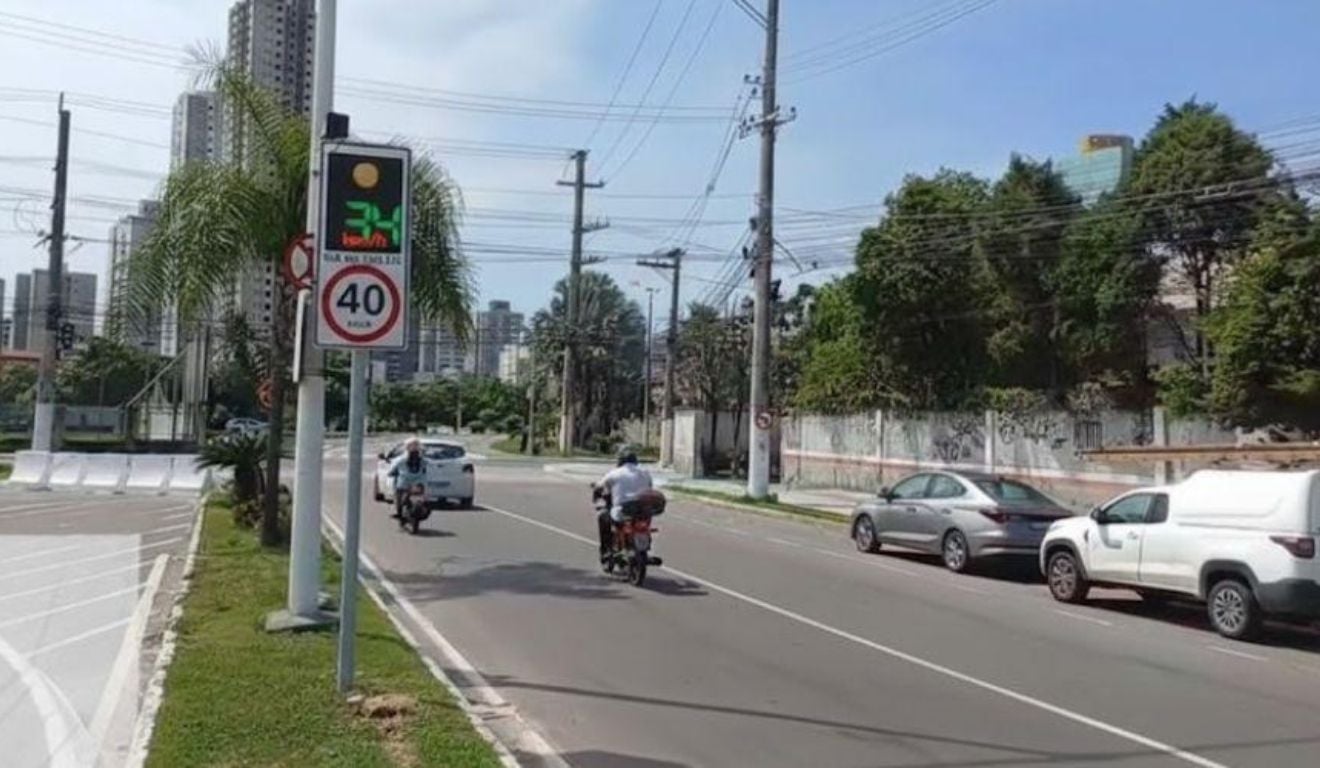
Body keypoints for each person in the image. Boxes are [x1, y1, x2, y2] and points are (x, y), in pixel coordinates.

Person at [595, 447, 653, 560]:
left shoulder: (615, 473)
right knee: (644, 525)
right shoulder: (645, 473)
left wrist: (596, 490)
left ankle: (606, 550)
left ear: (620, 461)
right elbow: (650, 487)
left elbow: (600, 486)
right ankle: (644, 547)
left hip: (622, 511)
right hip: (643, 512)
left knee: (602, 517)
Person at [387, 437, 429, 518]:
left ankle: (399, 512)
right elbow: (427, 467)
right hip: (419, 484)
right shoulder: (423, 460)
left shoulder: (401, 460)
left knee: (397, 494)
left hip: (404, 484)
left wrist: (391, 473)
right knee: (423, 495)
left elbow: (392, 470)